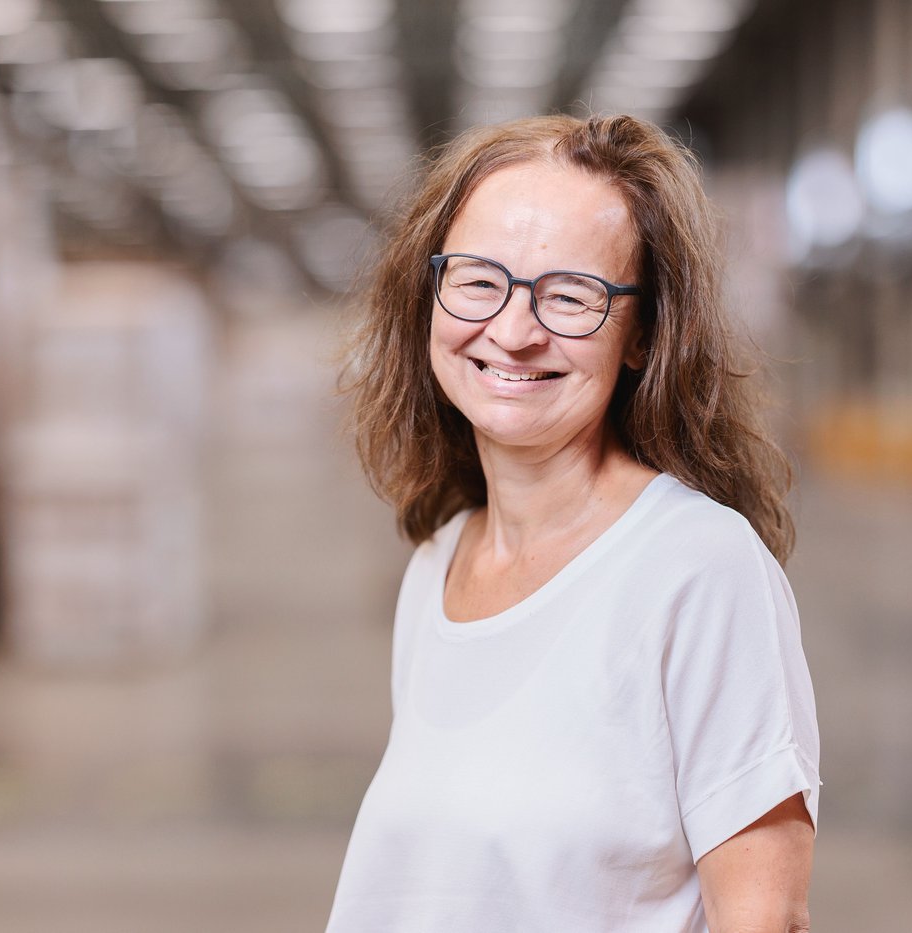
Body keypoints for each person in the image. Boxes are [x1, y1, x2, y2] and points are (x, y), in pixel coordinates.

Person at [327, 113, 820, 933]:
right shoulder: (440, 564)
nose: (514, 332)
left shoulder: (699, 568)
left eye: (569, 296)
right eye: (480, 280)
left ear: (641, 335)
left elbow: (764, 917)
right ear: (428, 294)